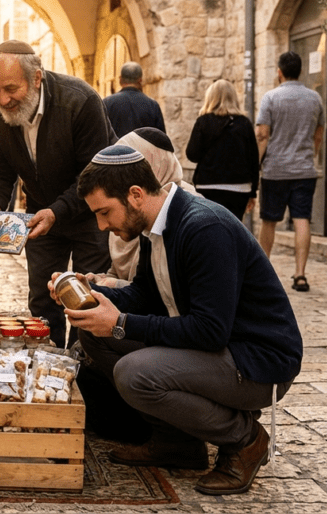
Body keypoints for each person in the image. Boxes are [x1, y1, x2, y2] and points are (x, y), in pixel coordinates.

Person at [55, 144, 302, 495]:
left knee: (135, 373)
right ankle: (178, 443)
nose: (102, 225)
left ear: (135, 195)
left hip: (257, 363)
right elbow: (145, 295)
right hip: (221, 349)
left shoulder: (203, 228)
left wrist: (120, 323)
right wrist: (94, 296)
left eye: (105, 212)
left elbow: (210, 331)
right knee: (94, 335)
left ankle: (246, 440)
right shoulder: (157, 226)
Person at [0, 40, 116, 348]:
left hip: (89, 213)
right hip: (41, 215)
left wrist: (57, 211)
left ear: (37, 78)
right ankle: (48, 367)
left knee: (90, 296)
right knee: (42, 301)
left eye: (11, 89)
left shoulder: (80, 100)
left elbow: (92, 173)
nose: (2, 99)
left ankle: (85, 368)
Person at [85, 127, 199, 288]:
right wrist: (100, 282)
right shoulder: (125, 208)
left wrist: (115, 286)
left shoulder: (185, 213)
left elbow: (170, 297)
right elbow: (119, 272)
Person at [255, 52, 325, 292]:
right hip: (304, 169)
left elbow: (262, 135)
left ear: (279, 71)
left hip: (276, 170)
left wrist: (257, 164)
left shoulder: (271, 98)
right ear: (301, 70)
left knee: (269, 221)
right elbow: (318, 135)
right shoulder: (315, 98)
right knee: (302, 219)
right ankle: (300, 274)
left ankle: (262, 274)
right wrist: (309, 155)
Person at [186, 80, 260, 220]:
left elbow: (192, 155)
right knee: (233, 228)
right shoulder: (244, 123)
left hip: (208, 185)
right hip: (239, 188)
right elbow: (253, 161)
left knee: (209, 226)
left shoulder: (203, 121)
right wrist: (252, 193)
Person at [103, 62, 166, 136]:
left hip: (116, 147)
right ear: (140, 80)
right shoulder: (152, 105)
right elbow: (161, 138)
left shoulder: (107, 103)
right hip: (143, 148)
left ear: (120, 79)